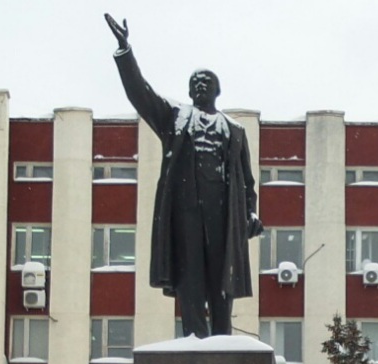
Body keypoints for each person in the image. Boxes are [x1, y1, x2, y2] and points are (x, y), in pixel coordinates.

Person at [104, 13, 261, 337]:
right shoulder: (175, 118)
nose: (200, 85)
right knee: (191, 281)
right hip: (187, 214)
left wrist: (251, 214)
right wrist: (125, 51)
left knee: (223, 283)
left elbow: (247, 182)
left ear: (218, 90)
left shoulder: (235, 130)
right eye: (194, 83)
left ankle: (221, 342)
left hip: (222, 217)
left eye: (206, 82)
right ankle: (195, 344)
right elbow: (141, 94)